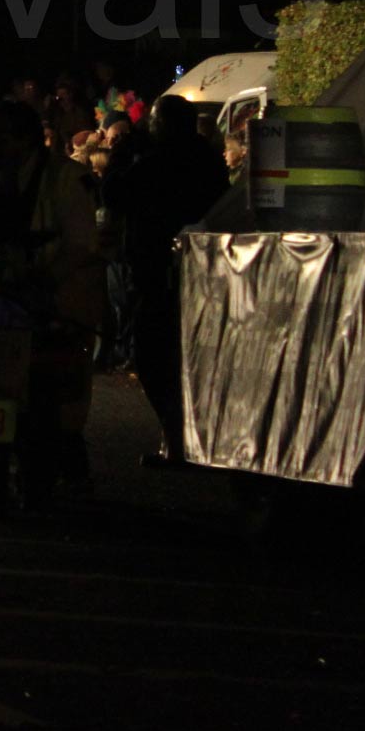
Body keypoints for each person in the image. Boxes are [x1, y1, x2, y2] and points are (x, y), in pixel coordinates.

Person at [0, 99, 105, 512]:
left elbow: (80, 245)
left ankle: (46, 476)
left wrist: (38, 282)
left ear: (24, 139)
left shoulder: (65, 178)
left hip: (49, 307)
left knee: (46, 401)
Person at [109, 94, 230, 464]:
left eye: (154, 121)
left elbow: (114, 194)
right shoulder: (208, 159)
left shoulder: (157, 162)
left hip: (157, 272)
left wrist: (121, 154)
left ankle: (176, 435)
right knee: (191, 357)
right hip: (201, 272)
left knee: (153, 354)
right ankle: (190, 439)